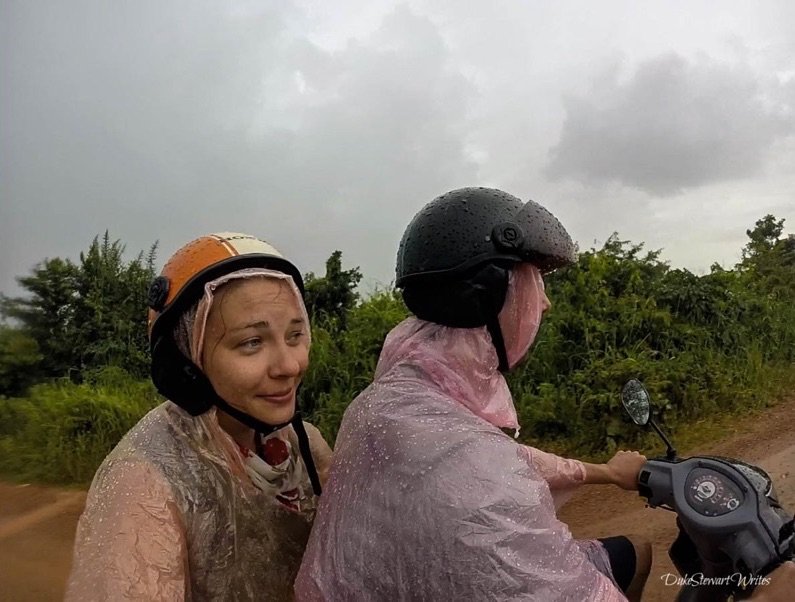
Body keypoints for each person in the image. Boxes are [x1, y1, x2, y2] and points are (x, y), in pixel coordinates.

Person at [295, 188, 795, 601]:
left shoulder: (386, 403)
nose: (547, 304)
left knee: (639, 551)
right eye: (534, 285)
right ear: (486, 296)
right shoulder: (481, 482)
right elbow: (488, 471)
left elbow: (501, 457)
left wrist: (602, 473)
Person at [67, 232, 332, 601]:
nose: (289, 366)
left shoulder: (305, 445)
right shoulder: (145, 482)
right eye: (251, 343)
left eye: (294, 335)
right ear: (185, 363)